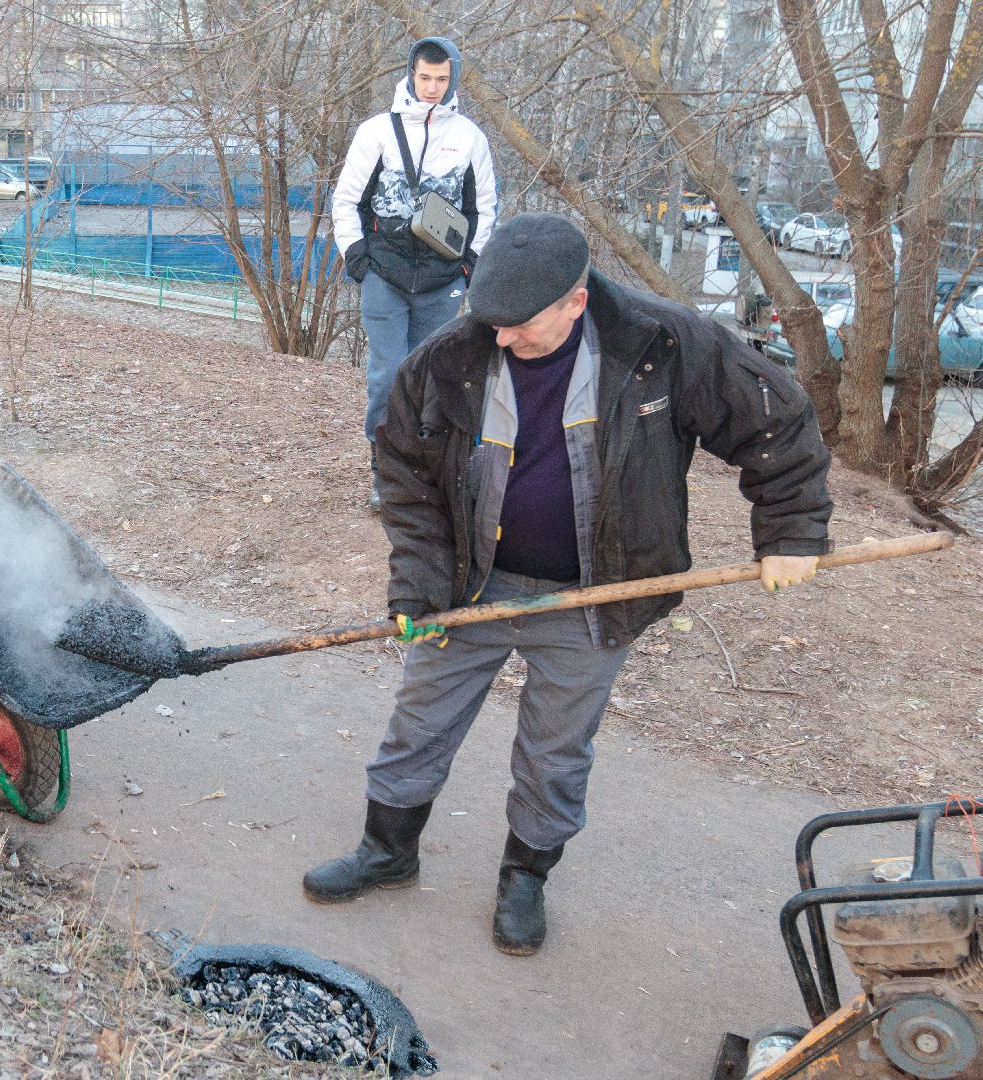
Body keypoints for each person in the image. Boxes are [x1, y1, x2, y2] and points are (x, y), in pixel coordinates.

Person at [302, 213, 832, 956]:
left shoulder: (664, 343)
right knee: (417, 722)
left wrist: (791, 533)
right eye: (489, 322)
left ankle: (525, 878)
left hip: (597, 596)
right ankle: (387, 851)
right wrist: (419, 585)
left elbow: (775, 421)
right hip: (468, 588)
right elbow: (406, 478)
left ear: (575, 302)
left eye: (519, 326)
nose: (501, 340)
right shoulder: (448, 360)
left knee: (556, 750)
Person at [332, 36, 498, 510]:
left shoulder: (469, 138)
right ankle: (385, 471)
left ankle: (431, 471)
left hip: (442, 279)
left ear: (453, 79)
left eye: (441, 79)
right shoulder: (376, 132)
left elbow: (483, 208)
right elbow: (346, 200)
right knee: (388, 377)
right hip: (385, 272)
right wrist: (357, 258)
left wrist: (470, 264)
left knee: (438, 378)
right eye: (424, 77)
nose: (431, 87)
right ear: (410, 74)